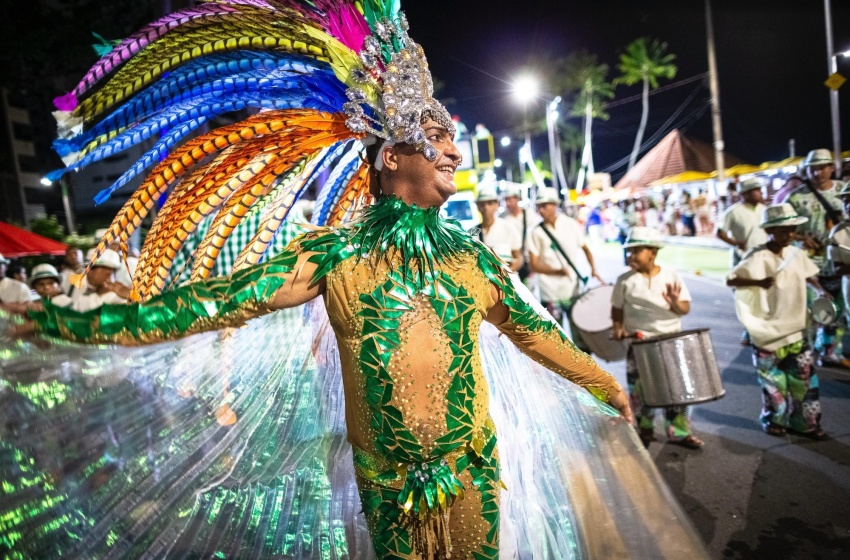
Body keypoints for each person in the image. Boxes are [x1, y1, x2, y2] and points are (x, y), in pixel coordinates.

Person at [726, 204, 829, 440]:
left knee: (803, 380)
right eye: (783, 230)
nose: (789, 235)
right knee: (773, 382)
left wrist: (822, 291)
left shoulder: (796, 253)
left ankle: (806, 423)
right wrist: (758, 282)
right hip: (767, 332)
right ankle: (775, 419)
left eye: (792, 230)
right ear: (770, 230)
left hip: (796, 330)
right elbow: (732, 280)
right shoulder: (757, 256)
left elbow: (810, 275)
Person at [611, 226, 704, 449]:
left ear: (653, 252)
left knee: (676, 389)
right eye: (628, 251)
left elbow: (684, 308)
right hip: (639, 343)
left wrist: (674, 303)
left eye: (636, 251)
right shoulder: (624, 280)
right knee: (640, 390)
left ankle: (679, 432)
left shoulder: (671, 276)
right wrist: (618, 327)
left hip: (670, 341)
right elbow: (617, 308)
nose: (630, 256)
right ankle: (644, 428)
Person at [786, 148, 848, 367]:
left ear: (831, 168)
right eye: (813, 168)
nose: (818, 172)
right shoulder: (796, 197)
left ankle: (831, 350)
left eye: (823, 167)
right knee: (812, 310)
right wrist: (800, 237)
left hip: (840, 262)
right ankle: (806, 352)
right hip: (808, 264)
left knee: (838, 310)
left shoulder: (843, 191)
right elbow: (783, 228)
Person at [528, 187, 605, 350]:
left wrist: (594, 269)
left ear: (555, 205)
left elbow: (585, 248)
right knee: (555, 340)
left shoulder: (570, 224)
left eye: (545, 205)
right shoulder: (536, 232)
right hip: (549, 293)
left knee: (581, 336)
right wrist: (556, 271)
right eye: (539, 206)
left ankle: (586, 372)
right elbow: (534, 265)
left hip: (573, 290)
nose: (541, 210)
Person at [716, 177, 769, 266]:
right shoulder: (733, 212)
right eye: (756, 190)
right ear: (745, 194)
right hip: (742, 257)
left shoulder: (764, 210)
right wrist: (736, 244)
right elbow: (720, 233)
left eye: (760, 189)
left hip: (764, 256)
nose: (761, 192)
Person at [474, 187, 523, 272]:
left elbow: (518, 257)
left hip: (508, 281)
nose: (486, 207)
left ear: (497, 205)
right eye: (482, 204)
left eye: (490, 203)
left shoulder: (508, 227)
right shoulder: (472, 233)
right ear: (478, 207)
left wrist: (506, 274)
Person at [65, 249, 130, 312]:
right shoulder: (83, 300)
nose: (88, 272)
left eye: (93, 268)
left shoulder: (120, 301)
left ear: (109, 272)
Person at [500, 186, 536, 280]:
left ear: (517, 199)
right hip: (513, 260)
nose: (507, 203)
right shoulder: (503, 218)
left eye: (510, 200)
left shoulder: (530, 215)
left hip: (529, 260)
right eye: (506, 200)